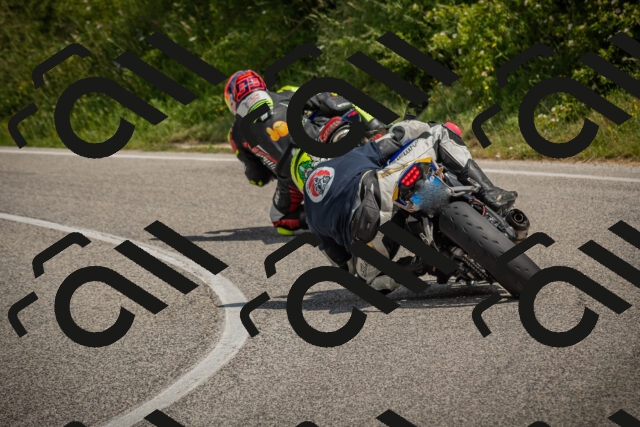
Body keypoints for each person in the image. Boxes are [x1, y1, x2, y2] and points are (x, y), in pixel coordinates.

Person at [292, 119, 518, 293]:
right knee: (439, 133)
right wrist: (423, 125)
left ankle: (420, 265)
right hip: (377, 190)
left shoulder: (311, 212)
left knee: (371, 282)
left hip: (365, 235)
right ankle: (490, 194)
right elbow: (399, 135)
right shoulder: (353, 153)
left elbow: (344, 267)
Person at [224, 70, 383, 235]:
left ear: (232, 101)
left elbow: (258, 178)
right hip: (320, 137)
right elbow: (328, 99)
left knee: (280, 219)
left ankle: (324, 217)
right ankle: (374, 133)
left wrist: (267, 166)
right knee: (335, 107)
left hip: (291, 173)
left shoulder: (235, 135)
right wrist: (373, 125)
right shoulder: (286, 92)